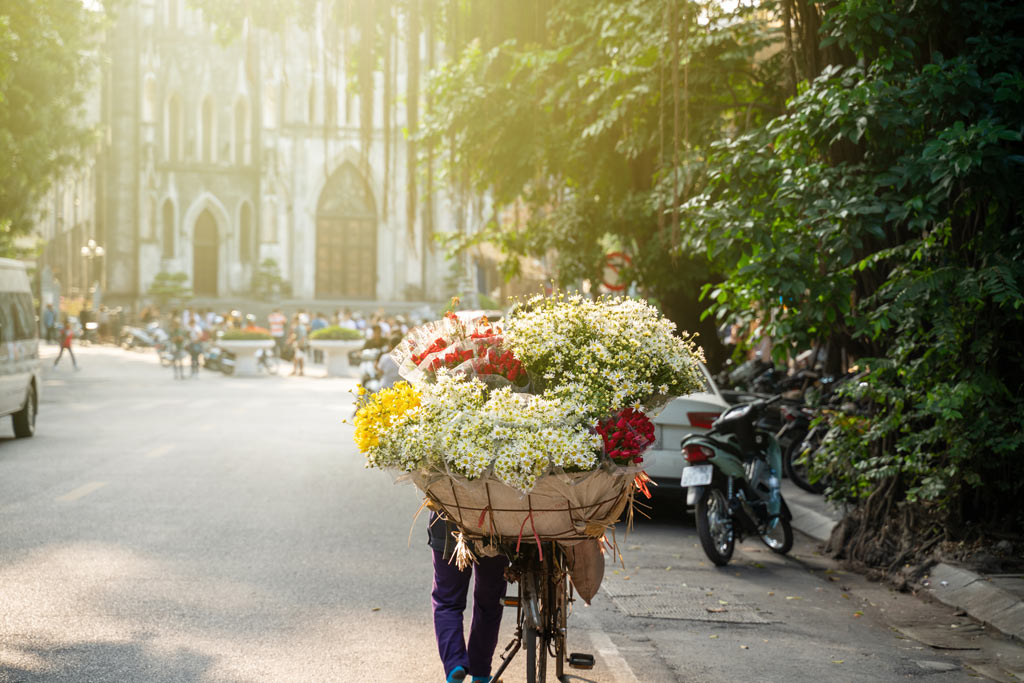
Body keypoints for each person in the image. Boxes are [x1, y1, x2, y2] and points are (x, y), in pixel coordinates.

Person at [428, 513, 508, 683]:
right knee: (490, 601)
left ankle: (454, 664)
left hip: (448, 526)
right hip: (495, 525)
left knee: (447, 601)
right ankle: (480, 673)